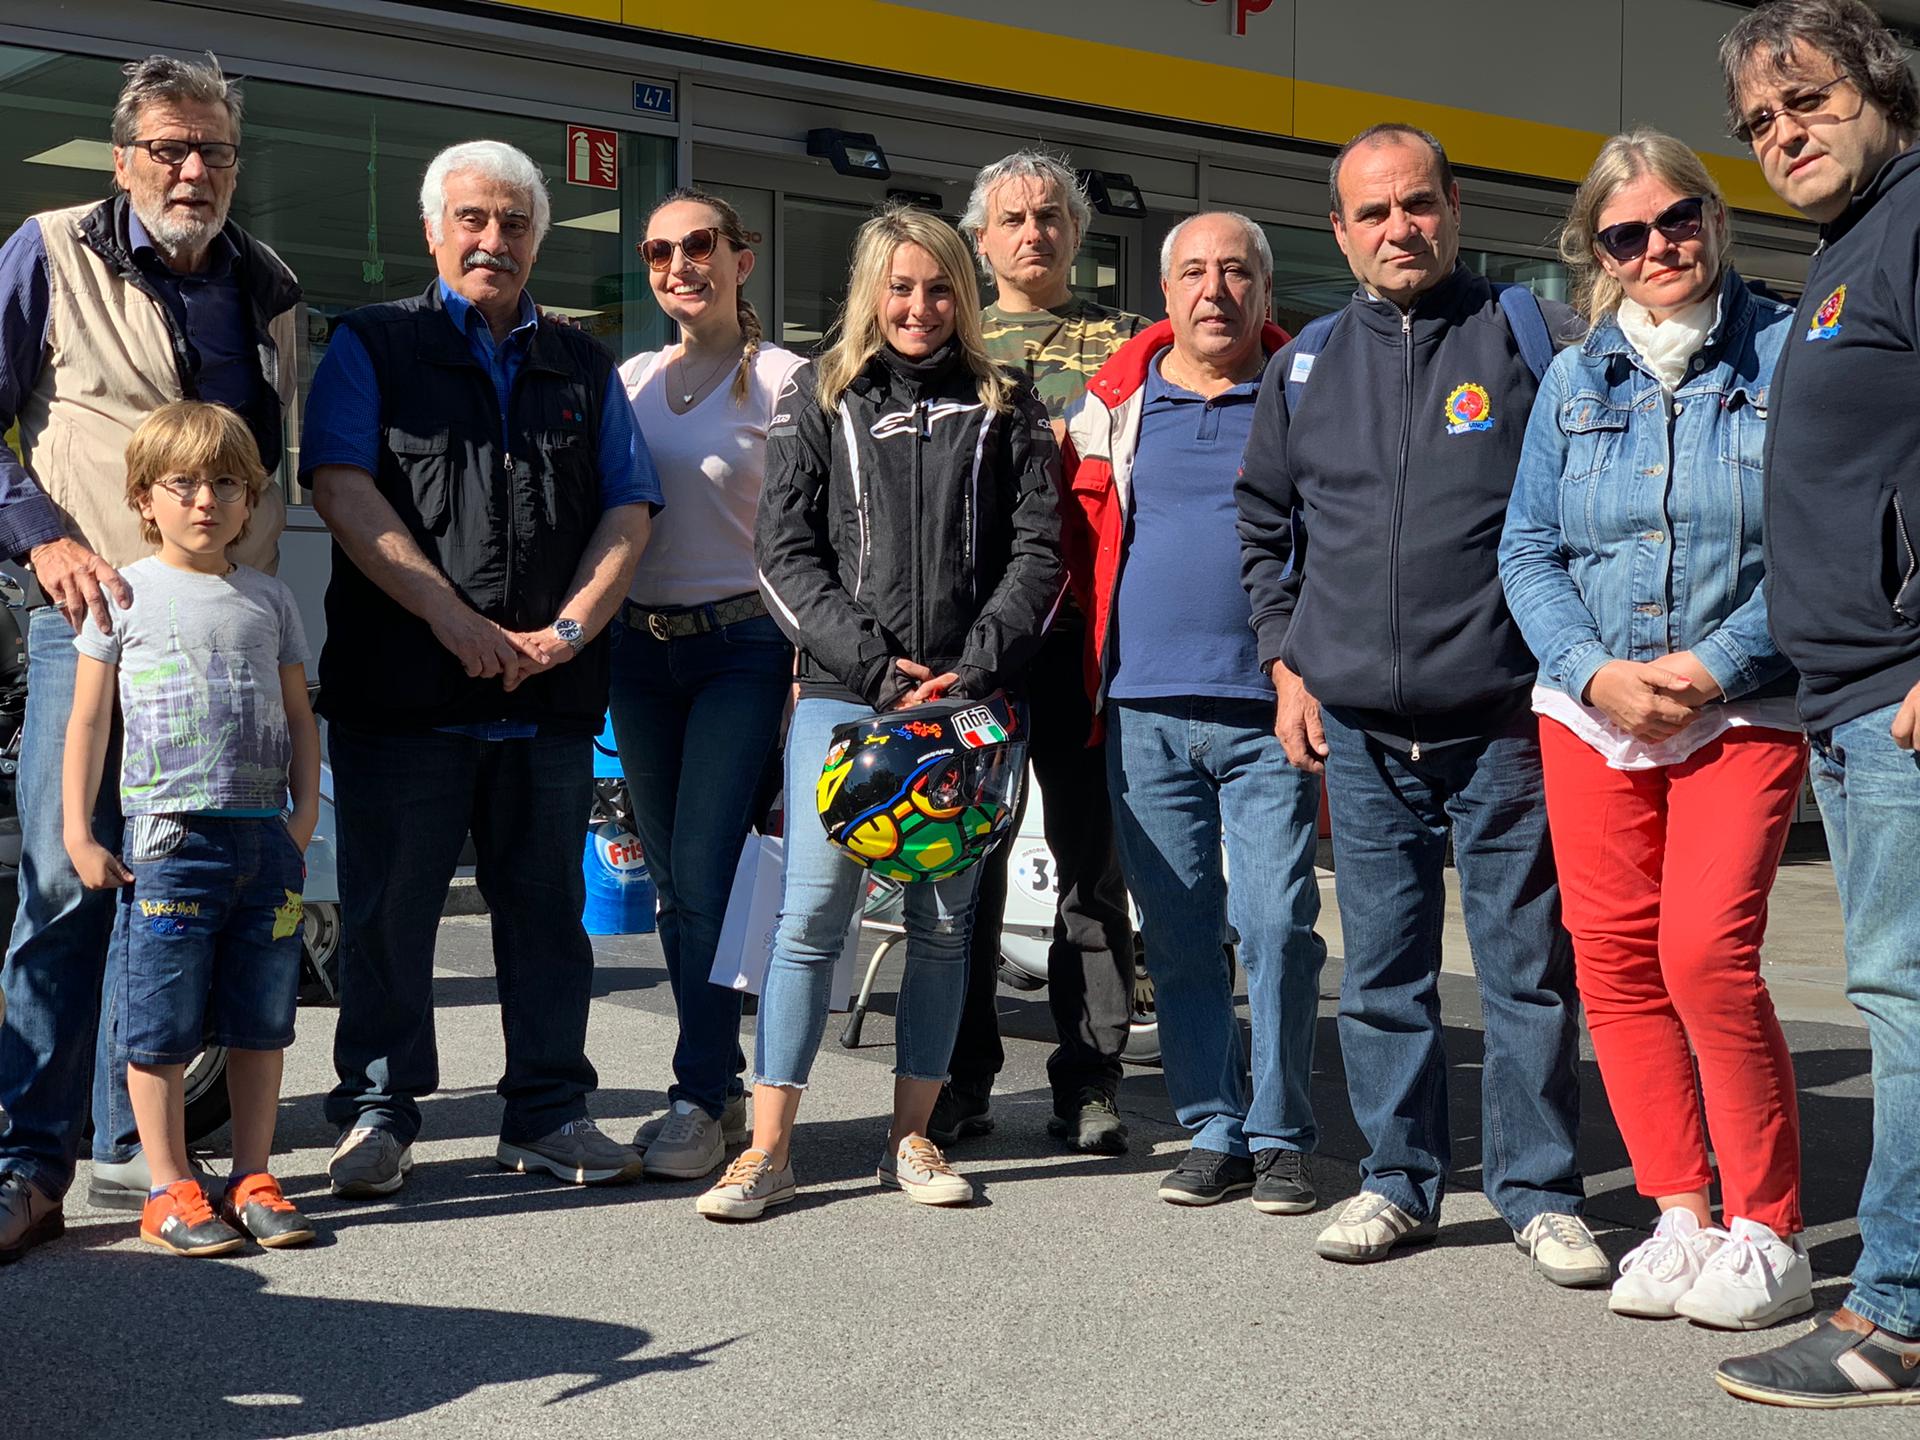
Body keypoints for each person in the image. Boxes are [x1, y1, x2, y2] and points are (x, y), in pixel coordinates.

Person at [1236, 123, 1608, 1285]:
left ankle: (1540, 1193)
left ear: (1454, 208)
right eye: (1375, 212)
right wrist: (1287, 662)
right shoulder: (1305, 367)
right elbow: (1263, 527)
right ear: (1340, 233)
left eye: (1419, 204)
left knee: (1525, 972)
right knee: (1384, 976)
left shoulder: (1531, 337)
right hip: (1359, 729)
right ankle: (1397, 1182)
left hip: (1503, 721)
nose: (1401, 228)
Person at [303, 139, 660, 1198]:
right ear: (432, 231)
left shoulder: (583, 364)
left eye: (513, 222)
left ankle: (547, 1113)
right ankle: (379, 1114)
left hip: (546, 698)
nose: (492, 239)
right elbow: (340, 487)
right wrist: (450, 618)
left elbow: (629, 509)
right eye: (472, 218)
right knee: (387, 919)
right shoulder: (373, 343)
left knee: (547, 920)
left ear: (537, 239)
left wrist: (570, 631)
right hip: (403, 698)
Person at [1500, 131, 1811, 1328]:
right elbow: (1528, 548)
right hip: (1592, 713)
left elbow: (1817, 540)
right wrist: (1593, 673)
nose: (1658, 247)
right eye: (1626, 234)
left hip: (1743, 703)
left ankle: (1767, 1227)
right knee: (1617, 963)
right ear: (1599, 253)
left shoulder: (1787, 352)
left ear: (1715, 219)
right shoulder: (1576, 379)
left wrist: (1712, 663)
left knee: (1704, 956)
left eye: (1677, 219)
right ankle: (1680, 1212)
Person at [698, 204, 1063, 1220]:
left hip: (966, 708)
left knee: (944, 926)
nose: (920, 306)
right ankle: (768, 1151)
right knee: (811, 919)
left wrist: (975, 667)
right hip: (844, 698)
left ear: (964, 294)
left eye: (940, 287)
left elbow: (1040, 553)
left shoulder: (1005, 400)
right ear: (871, 292)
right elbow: (783, 554)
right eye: (901, 287)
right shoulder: (819, 394)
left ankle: (913, 1138)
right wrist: (874, 670)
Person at [0, 52, 301, 1263]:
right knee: (68, 883)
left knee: (190, 891)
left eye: (214, 151)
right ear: (124, 158)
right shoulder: (49, 250)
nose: (193, 170)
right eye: (170, 147)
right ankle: (29, 1164)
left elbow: (268, 457)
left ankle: (155, 1155)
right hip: (95, 625)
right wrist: (43, 537)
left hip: (224, 646)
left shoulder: (265, 285)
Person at [1711, 0, 1920, 1405]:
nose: (1782, 133)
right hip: (1848, 698)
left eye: (1807, 99)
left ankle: (1898, 1315)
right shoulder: (1850, 245)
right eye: (1759, 122)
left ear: (1882, 86)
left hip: (1900, 692)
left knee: (1907, 1000)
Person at [1061, 212, 1325, 1210]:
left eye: (1237, 272)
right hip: (1142, 710)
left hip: (1273, 709)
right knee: (1176, 935)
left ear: (1265, 289)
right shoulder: (1114, 407)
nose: (1216, 290)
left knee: (1277, 926)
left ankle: (1282, 1130)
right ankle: (1215, 1126)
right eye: (1196, 273)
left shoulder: (1307, 395)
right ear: (1166, 294)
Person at [63, 401, 318, 1256]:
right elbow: (89, 724)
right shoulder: (120, 596)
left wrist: (301, 818)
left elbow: (299, 715)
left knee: (261, 1018)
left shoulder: (270, 598)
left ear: (251, 499)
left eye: (227, 484)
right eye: (183, 484)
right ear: (144, 497)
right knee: (159, 1022)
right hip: (168, 844)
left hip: (264, 842)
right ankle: (168, 1185)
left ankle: (252, 1175)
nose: (206, 500)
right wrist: (79, 833)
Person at [941, 151, 1144, 1154]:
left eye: (1052, 216)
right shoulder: (951, 340)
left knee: (1088, 871)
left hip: (1085, 645)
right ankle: (959, 1075)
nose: (1035, 233)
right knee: (965, 867)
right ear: (981, 239)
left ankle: (1090, 1081)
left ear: (1077, 232)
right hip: (978, 645)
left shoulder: (1133, 346)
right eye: (1014, 219)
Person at [611, 189, 805, 1180]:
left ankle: (697, 1093)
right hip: (640, 654)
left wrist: (809, 665)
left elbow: (820, 530)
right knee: (672, 881)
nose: (679, 265)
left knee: (705, 870)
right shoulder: (634, 379)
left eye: (698, 246)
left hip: (743, 646)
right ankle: (714, 1088)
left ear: (741, 259)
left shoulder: (785, 379)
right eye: (659, 252)